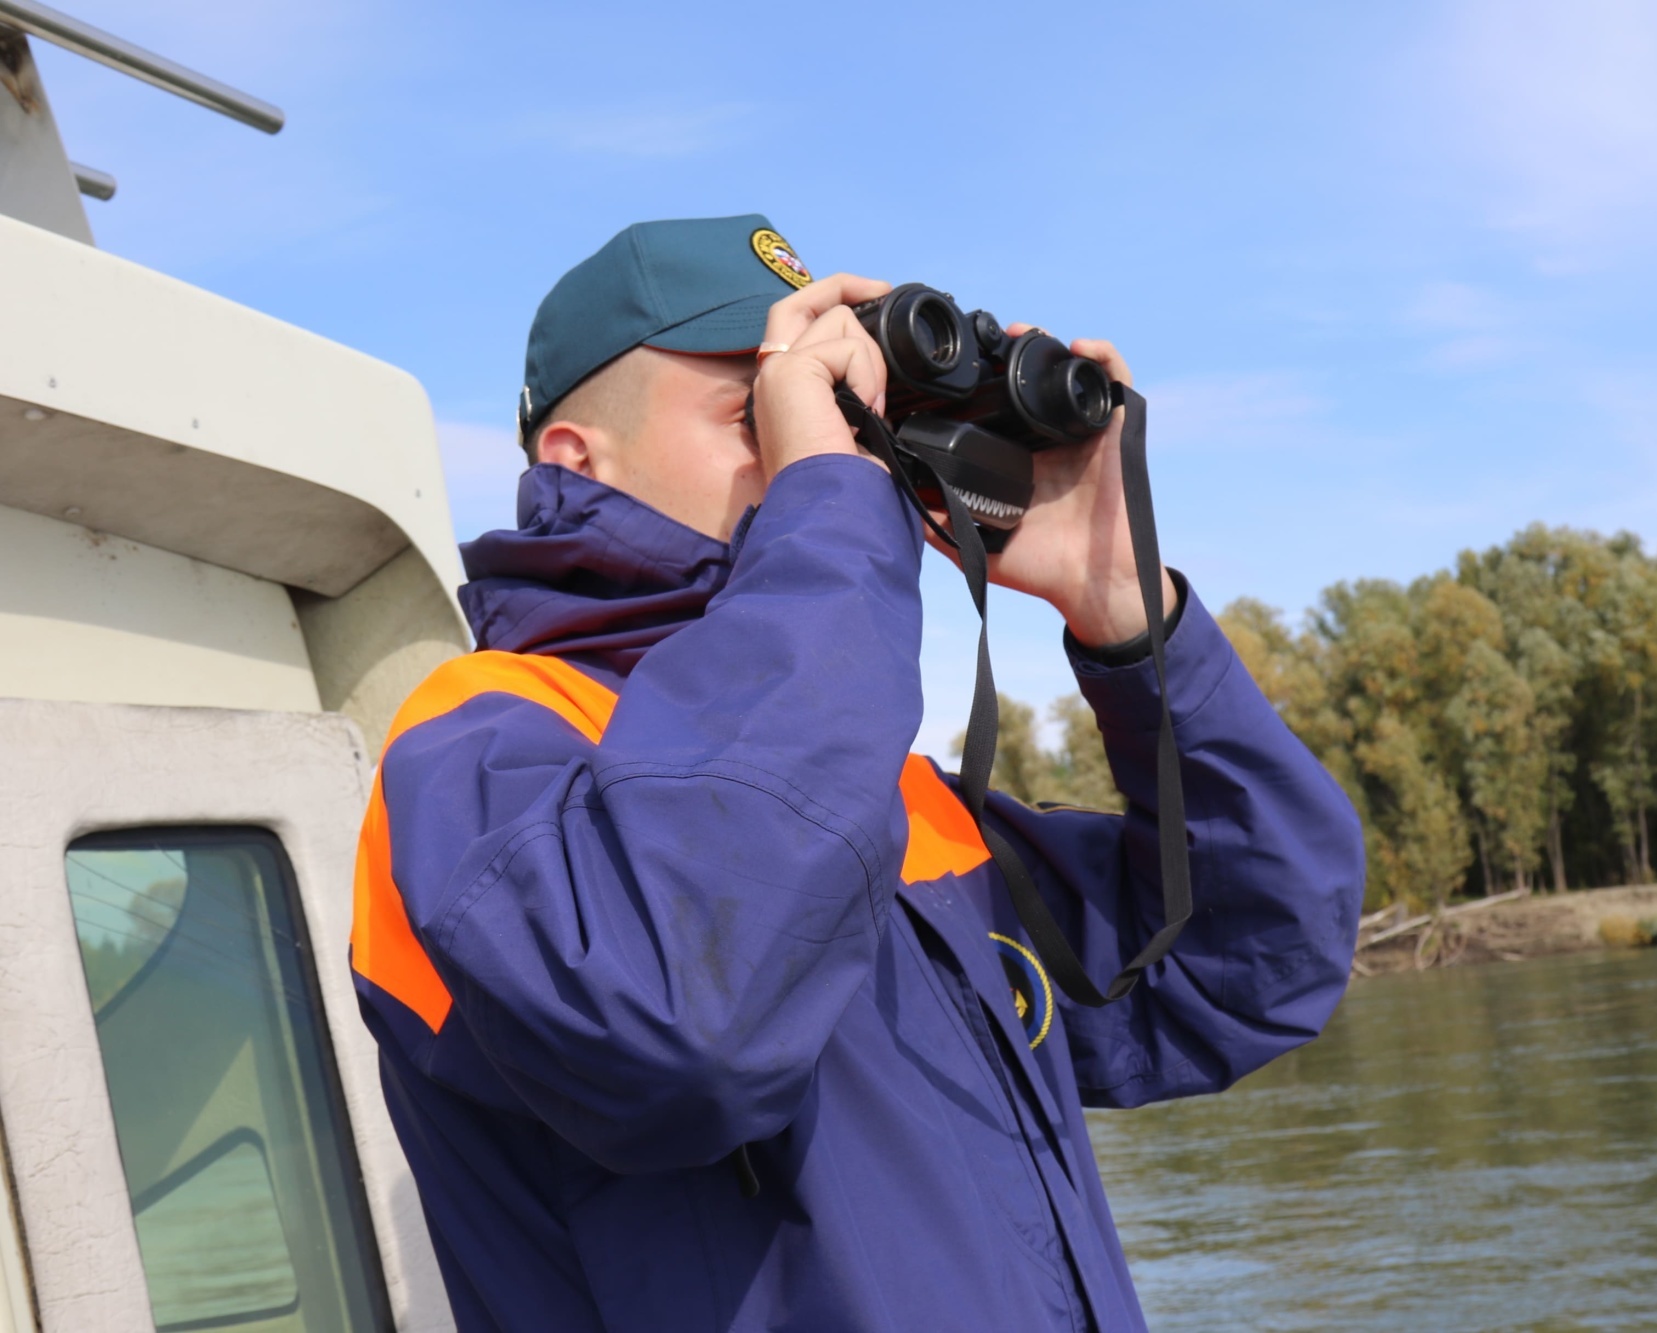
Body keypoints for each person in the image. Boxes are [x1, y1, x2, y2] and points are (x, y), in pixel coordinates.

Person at [351, 214, 1364, 1332]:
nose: (821, 441)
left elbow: (1248, 967)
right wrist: (829, 509)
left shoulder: (874, 784)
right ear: (576, 459)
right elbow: (686, 1032)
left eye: (840, 405)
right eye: (759, 408)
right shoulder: (478, 744)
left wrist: (1123, 613)